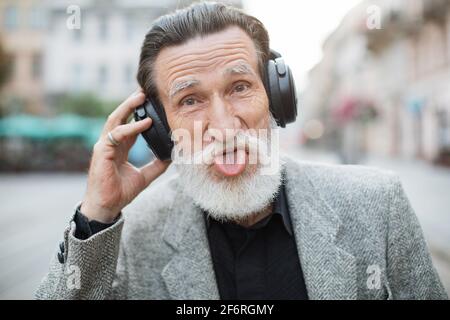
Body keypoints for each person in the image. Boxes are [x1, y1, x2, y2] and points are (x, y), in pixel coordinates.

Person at [36, 2, 447, 300]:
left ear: (275, 96)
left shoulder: (378, 205)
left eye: (239, 87)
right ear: (161, 129)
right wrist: (96, 214)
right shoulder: (128, 235)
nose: (225, 125)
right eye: (191, 100)